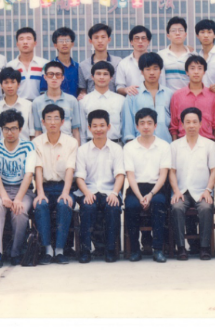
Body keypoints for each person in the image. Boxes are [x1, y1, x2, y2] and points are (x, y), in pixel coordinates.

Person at [0, 110, 37, 268]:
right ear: (1, 129)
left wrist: (18, 199)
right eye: (6, 128)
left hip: (23, 190)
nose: (10, 132)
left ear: (20, 129)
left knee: (19, 210)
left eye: (14, 128)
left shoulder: (28, 146)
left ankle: (16, 252)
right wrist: (4, 196)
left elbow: (29, 174)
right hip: (2, 189)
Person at [75, 110, 126, 263]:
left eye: (102, 125)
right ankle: (85, 251)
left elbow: (120, 175)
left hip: (109, 191)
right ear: (89, 128)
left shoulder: (116, 149)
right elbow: (79, 177)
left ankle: (110, 250)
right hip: (89, 190)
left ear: (108, 127)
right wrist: (86, 193)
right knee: (87, 207)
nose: (99, 129)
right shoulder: (82, 150)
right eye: (95, 126)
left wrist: (115, 193)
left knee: (113, 207)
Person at [169, 108, 215, 261]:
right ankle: (181, 248)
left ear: (200, 124)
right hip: (182, 191)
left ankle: (204, 247)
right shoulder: (175, 146)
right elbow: (172, 171)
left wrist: (208, 190)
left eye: (195, 122)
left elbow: (214, 170)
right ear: (182, 124)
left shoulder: (209, 145)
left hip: (202, 191)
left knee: (205, 208)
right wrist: (176, 191)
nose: (191, 125)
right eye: (188, 122)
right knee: (177, 207)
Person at [32, 104, 79, 264]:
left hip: (64, 186)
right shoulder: (36, 142)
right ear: (43, 122)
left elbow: (70, 169)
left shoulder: (71, 142)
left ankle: (59, 250)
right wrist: (40, 193)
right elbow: (38, 169)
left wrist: (65, 193)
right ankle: (47, 250)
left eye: (56, 118)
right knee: (40, 205)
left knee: (64, 204)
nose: (52, 122)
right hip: (44, 186)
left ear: (63, 121)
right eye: (49, 119)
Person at [124, 108, 172, 263]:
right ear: (136, 126)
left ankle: (158, 249)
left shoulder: (164, 146)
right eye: (142, 123)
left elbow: (163, 175)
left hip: (156, 188)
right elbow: (130, 176)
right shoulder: (129, 147)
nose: (146, 126)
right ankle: (135, 250)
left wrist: (150, 195)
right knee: (131, 206)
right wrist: (140, 197)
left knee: (159, 203)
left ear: (155, 125)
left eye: (149, 123)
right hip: (136, 188)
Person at [121, 52, 174, 144]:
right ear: (142, 72)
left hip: (165, 144)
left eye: (155, 68)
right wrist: (130, 144)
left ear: (160, 71)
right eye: (147, 69)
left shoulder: (169, 94)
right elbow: (128, 125)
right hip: (139, 145)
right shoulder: (133, 95)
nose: (152, 72)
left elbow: (174, 124)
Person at [169, 56, 215, 143]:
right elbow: (174, 125)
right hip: (183, 142)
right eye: (192, 68)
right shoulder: (177, 96)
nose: (196, 72)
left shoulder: (212, 95)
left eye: (200, 68)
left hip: (207, 142)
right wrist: (174, 145)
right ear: (187, 72)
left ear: (204, 72)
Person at [32, 61, 83, 140]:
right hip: (45, 144)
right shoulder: (37, 102)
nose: (54, 78)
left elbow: (75, 131)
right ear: (45, 77)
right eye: (51, 74)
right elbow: (38, 131)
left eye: (58, 74)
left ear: (62, 77)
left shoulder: (72, 101)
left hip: (67, 144)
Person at [79, 61, 124, 142]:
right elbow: (82, 131)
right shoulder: (84, 101)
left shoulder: (121, 100)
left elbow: (124, 127)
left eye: (105, 74)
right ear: (92, 77)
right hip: (91, 145)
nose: (102, 77)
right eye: (98, 74)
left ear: (111, 77)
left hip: (115, 145)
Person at [78, 23, 121, 98]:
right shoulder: (83, 65)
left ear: (109, 39)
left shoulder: (118, 62)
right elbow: (83, 90)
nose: (100, 41)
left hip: (113, 102)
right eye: (96, 38)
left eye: (103, 37)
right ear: (90, 41)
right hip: (92, 103)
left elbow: (120, 87)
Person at [7, 26, 49, 101]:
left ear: (35, 43)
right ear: (17, 44)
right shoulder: (11, 66)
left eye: (29, 39)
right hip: (18, 104)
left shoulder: (44, 64)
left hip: (39, 104)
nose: (25, 42)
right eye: (21, 39)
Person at [40, 27, 81, 97]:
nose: (64, 43)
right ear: (55, 45)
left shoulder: (78, 67)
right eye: (61, 41)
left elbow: (82, 89)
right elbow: (43, 91)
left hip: (75, 103)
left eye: (67, 40)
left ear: (72, 44)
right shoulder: (47, 67)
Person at [0, 67, 35, 141]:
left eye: (13, 82)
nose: (10, 86)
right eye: (6, 82)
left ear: (18, 84)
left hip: (24, 146)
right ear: (1, 85)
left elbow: (32, 134)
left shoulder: (28, 105)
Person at [158, 16, 192, 93]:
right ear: (168, 36)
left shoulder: (193, 56)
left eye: (181, 30)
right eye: (173, 31)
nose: (177, 33)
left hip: (187, 97)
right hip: (167, 97)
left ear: (185, 34)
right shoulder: (160, 56)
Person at [115, 25, 152, 96]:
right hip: (131, 99)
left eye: (143, 38)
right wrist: (126, 90)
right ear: (131, 42)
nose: (140, 41)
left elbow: (162, 84)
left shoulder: (156, 62)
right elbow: (119, 87)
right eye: (137, 38)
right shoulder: (123, 63)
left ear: (148, 41)